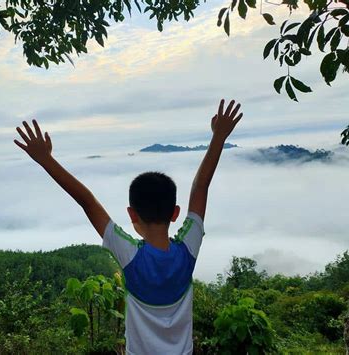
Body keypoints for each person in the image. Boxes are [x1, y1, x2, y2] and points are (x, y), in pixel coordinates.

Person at [14, 99, 243, 354]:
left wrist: (46, 159)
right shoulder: (188, 251)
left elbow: (86, 201)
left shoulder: (131, 256)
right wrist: (219, 137)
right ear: (175, 213)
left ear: (132, 214)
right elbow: (201, 187)